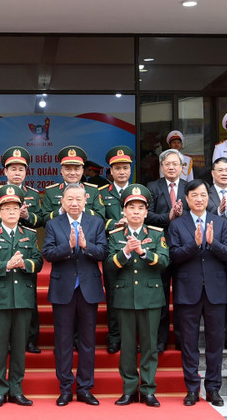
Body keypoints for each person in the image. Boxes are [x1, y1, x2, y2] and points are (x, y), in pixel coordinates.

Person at [167, 179, 227, 407]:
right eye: (194, 195)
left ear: (209, 197)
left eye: (203, 195)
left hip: (216, 291)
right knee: (189, 343)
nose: (199, 199)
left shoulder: (221, 223)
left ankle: (213, 388)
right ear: (186, 199)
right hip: (188, 291)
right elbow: (173, 258)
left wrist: (212, 243)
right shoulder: (177, 225)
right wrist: (193, 245)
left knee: (216, 342)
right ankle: (192, 389)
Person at [0, 185, 43, 408]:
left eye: (16, 208)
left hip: (23, 298)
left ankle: (16, 389)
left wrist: (26, 264)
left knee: (19, 347)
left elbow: (39, 262)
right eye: (7, 208)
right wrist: (6, 265)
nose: (12, 212)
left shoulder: (30, 235)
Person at [104, 184, 169, 407]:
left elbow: (164, 261)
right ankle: (129, 389)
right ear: (124, 210)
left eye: (140, 208)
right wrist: (125, 252)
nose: (136, 212)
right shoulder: (114, 235)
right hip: (124, 298)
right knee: (128, 347)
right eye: (131, 207)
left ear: (146, 212)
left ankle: (148, 389)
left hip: (150, 298)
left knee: (150, 347)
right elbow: (109, 266)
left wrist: (143, 252)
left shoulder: (156, 233)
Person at [43, 183, 107, 407]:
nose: (74, 203)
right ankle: (65, 388)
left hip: (88, 289)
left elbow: (103, 252)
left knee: (88, 342)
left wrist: (85, 245)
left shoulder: (96, 223)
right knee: (63, 341)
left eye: (78, 199)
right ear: (62, 201)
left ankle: (85, 388)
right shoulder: (53, 224)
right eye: (70, 199)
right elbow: (48, 253)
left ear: (86, 199)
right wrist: (68, 247)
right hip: (63, 290)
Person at [146, 149, 189, 353]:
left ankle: (182, 340)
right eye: (167, 164)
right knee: (161, 296)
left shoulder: (191, 188)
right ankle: (160, 340)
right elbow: (148, 216)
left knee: (182, 297)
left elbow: (196, 214)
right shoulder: (152, 187)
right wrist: (168, 217)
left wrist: (180, 218)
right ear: (161, 167)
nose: (171, 167)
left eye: (175, 164)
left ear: (182, 167)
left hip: (183, 247)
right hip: (160, 247)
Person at [99, 146, 135, 353]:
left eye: (125, 168)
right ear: (110, 171)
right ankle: (114, 336)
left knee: (134, 293)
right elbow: (96, 220)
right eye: (117, 168)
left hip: (137, 248)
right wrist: (114, 224)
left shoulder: (138, 191)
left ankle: (131, 338)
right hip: (113, 249)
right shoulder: (102, 194)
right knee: (114, 294)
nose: (122, 172)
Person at [41, 145, 105, 223]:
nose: (72, 173)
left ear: (82, 171)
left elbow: (101, 217)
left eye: (77, 169)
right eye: (68, 169)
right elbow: (43, 221)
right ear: (62, 171)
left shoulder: (93, 191)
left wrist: (82, 208)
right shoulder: (51, 192)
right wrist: (61, 211)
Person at [0, 146, 41, 230]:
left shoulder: (33, 194)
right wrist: (13, 214)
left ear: (26, 172)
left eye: (21, 170)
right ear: (5, 171)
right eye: (13, 169)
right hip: (1, 240)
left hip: (27, 240)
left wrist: (27, 216)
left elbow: (41, 220)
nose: (17, 173)